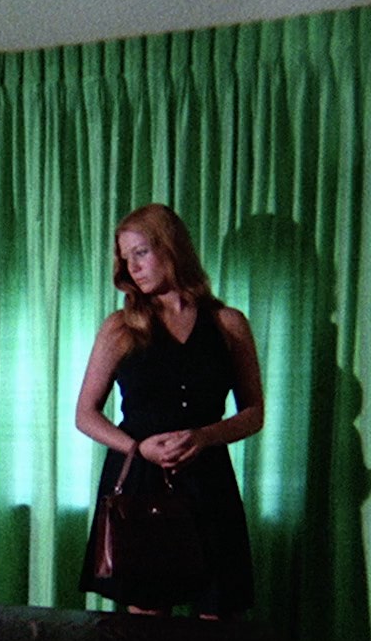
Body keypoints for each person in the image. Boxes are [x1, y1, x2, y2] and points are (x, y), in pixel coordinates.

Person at [76, 203, 262, 618]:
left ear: (171, 247)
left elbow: (254, 412)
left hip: (208, 481)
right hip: (141, 480)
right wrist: (138, 448)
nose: (133, 267)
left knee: (216, 621)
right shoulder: (120, 326)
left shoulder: (228, 323)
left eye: (141, 252)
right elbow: (85, 414)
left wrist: (205, 436)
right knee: (146, 627)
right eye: (126, 258)